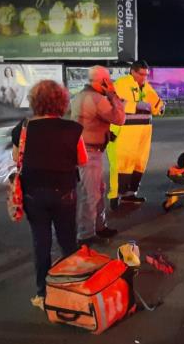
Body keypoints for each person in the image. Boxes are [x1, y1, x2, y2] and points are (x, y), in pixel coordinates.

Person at [11, 80, 88, 310]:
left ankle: (43, 294)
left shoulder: (23, 128)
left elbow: (17, 159)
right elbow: (82, 159)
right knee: (68, 242)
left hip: (34, 193)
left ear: (35, 102)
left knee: (41, 243)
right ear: (62, 102)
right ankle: (73, 289)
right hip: (65, 191)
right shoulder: (72, 129)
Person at [70, 66, 125, 244]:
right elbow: (119, 118)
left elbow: (89, 122)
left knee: (97, 191)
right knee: (92, 194)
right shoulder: (96, 98)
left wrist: (104, 133)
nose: (110, 82)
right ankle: (86, 234)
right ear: (102, 81)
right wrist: (113, 95)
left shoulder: (80, 96)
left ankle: (99, 227)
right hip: (90, 152)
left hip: (85, 149)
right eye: (108, 80)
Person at [107, 60, 164, 210]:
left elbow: (157, 104)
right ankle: (115, 196)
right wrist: (137, 106)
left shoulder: (146, 86)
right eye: (141, 74)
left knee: (139, 163)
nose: (144, 78)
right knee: (121, 164)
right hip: (126, 132)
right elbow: (115, 103)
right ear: (132, 71)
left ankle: (130, 194)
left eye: (146, 75)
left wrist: (160, 107)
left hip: (144, 133)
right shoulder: (121, 83)